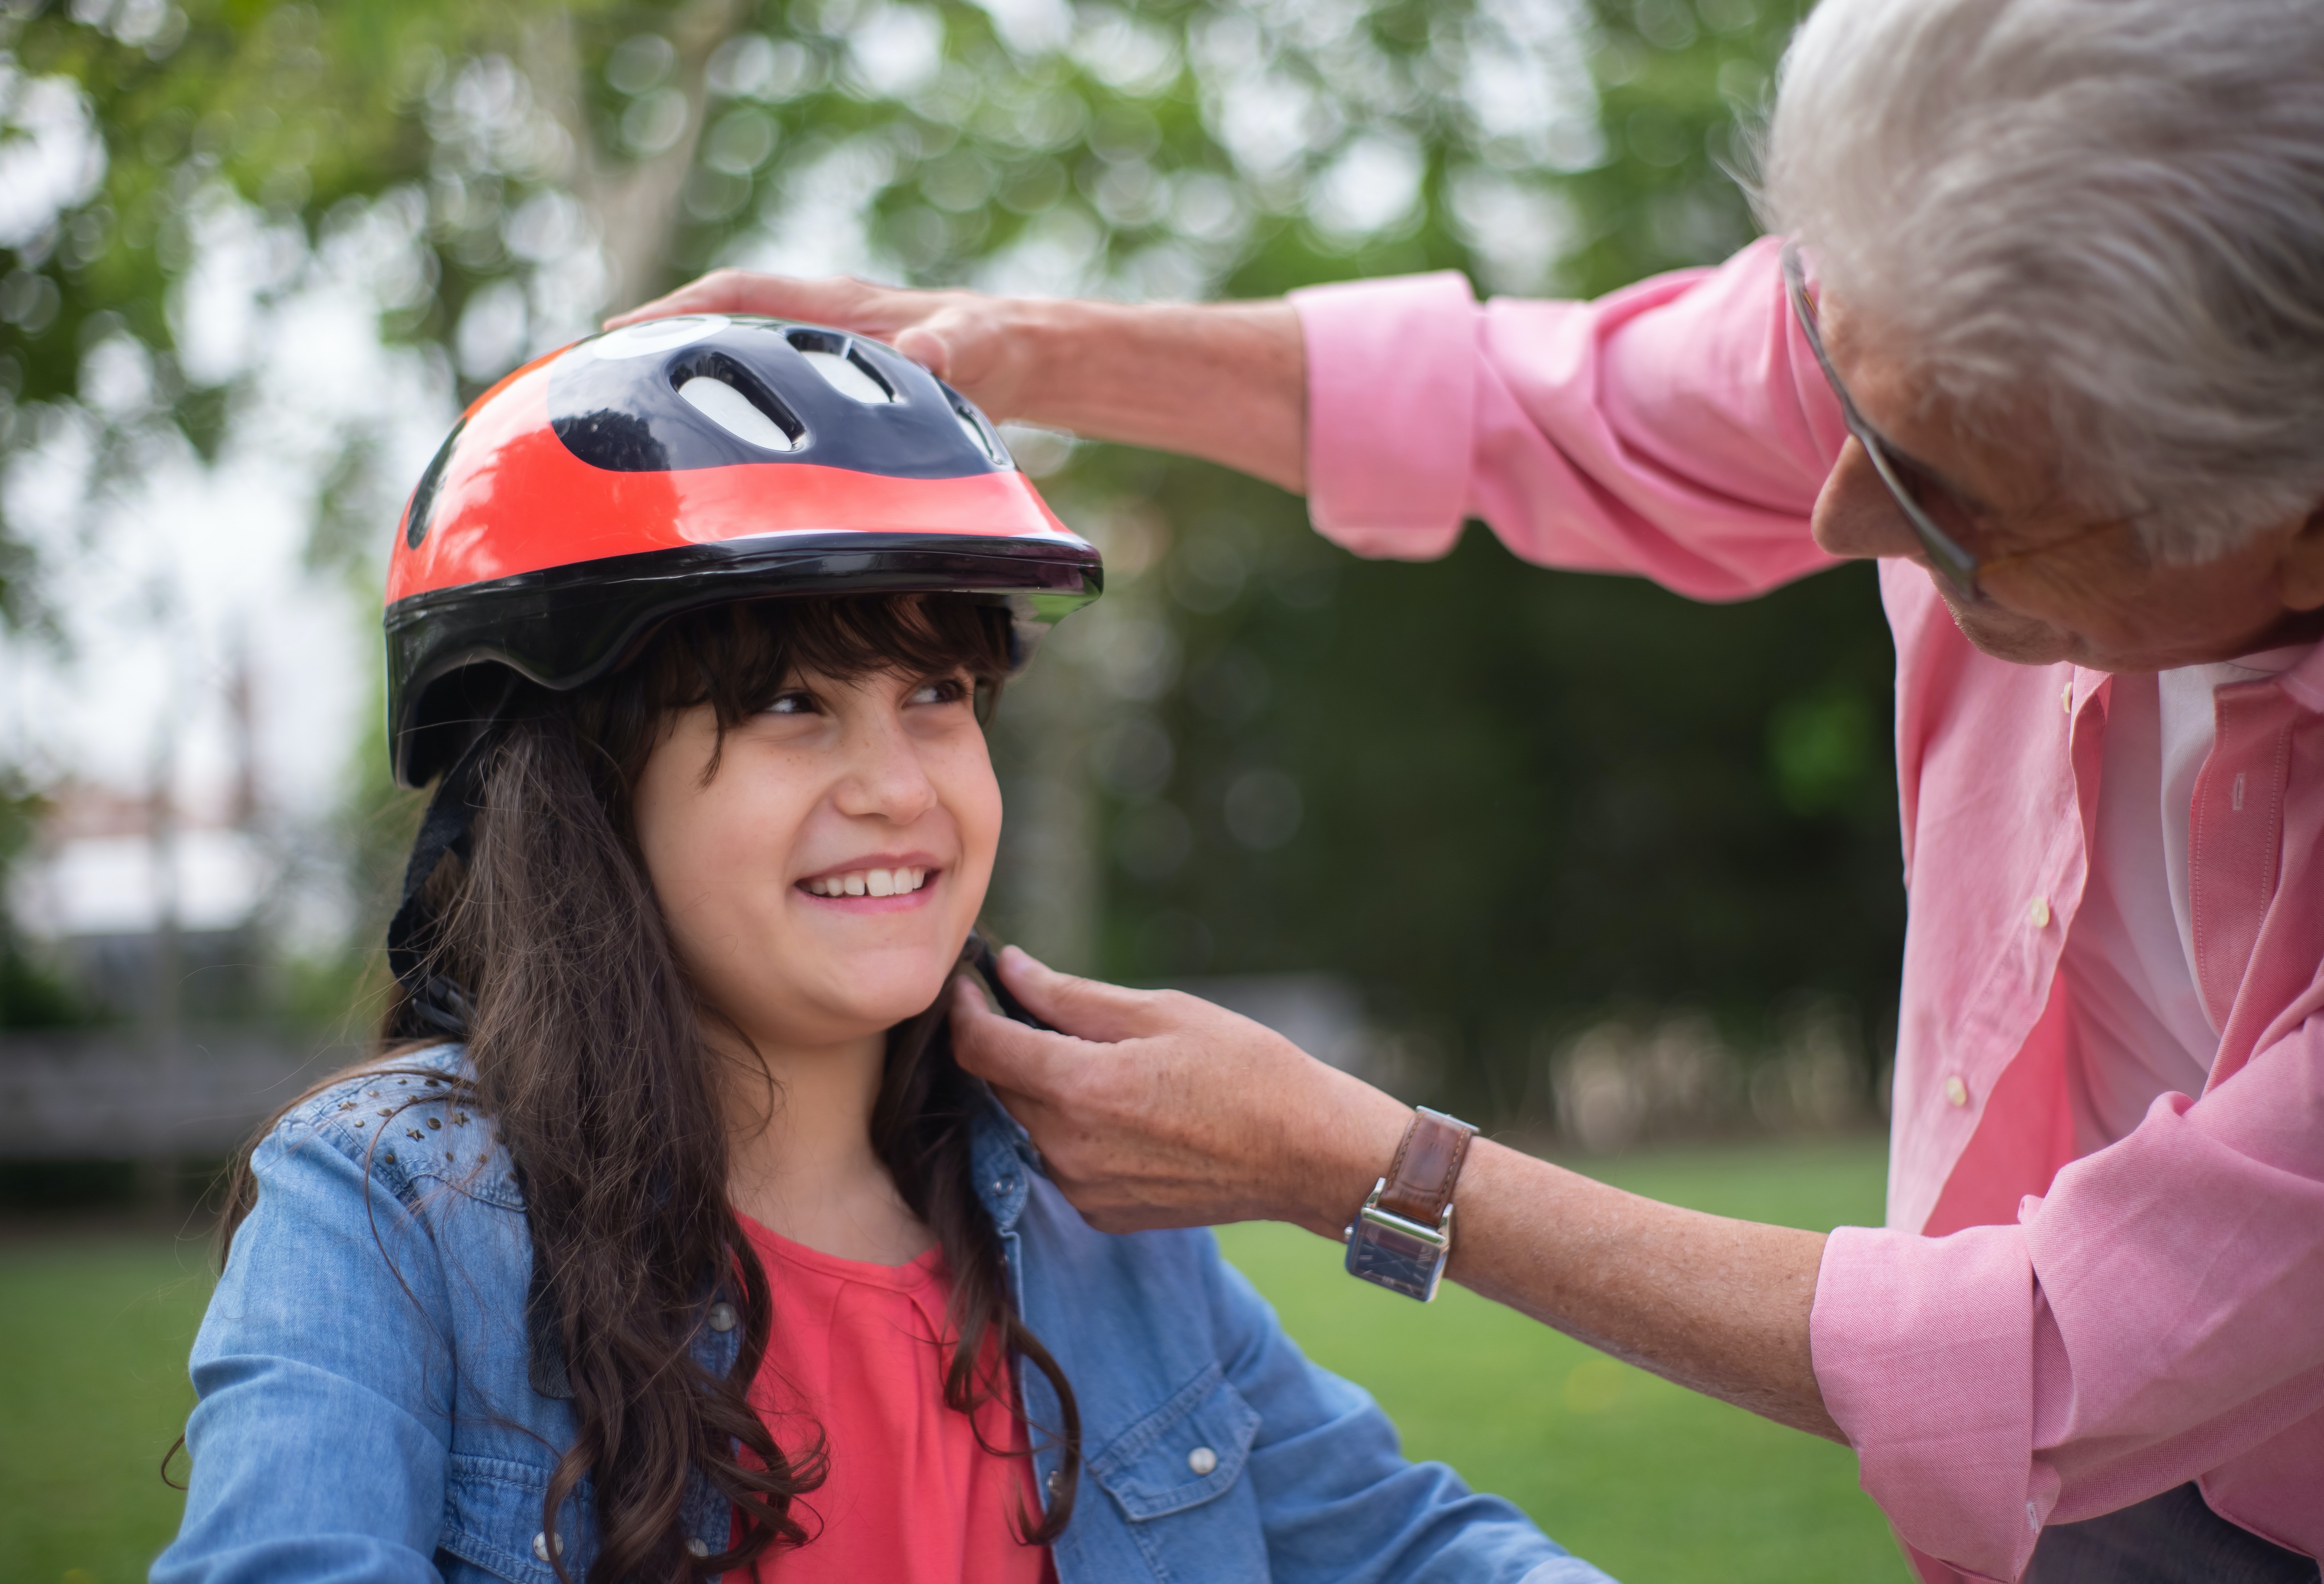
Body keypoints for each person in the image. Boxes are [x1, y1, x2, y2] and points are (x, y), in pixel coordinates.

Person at [608, 0, 2324, 1580]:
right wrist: (1026, 345)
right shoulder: (1962, 320)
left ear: (2318, 518)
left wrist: (1364, 1167)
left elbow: (2049, 1348)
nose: (1836, 518)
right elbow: (1538, 403)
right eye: (782, 700)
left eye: (1949, 508)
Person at [152, 318, 1607, 1583]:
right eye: (789, 702)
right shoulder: (392, 1207)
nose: (902, 787)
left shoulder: (1087, 1205)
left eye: (937, 688)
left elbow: (1405, 1548)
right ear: (581, 788)